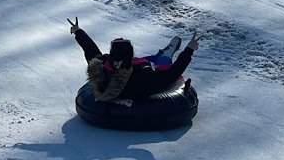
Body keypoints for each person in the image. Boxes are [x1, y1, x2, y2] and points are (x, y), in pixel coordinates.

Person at [68, 17, 201, 102]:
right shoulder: (142, 75)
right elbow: (171, 74)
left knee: (145, 60)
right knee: (162, 61)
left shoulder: (101, 67)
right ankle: (166, 53)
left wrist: (78, 31)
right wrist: (189, 49)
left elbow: (91, 50)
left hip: (128, 66)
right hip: (149, 71)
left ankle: (161, 54)